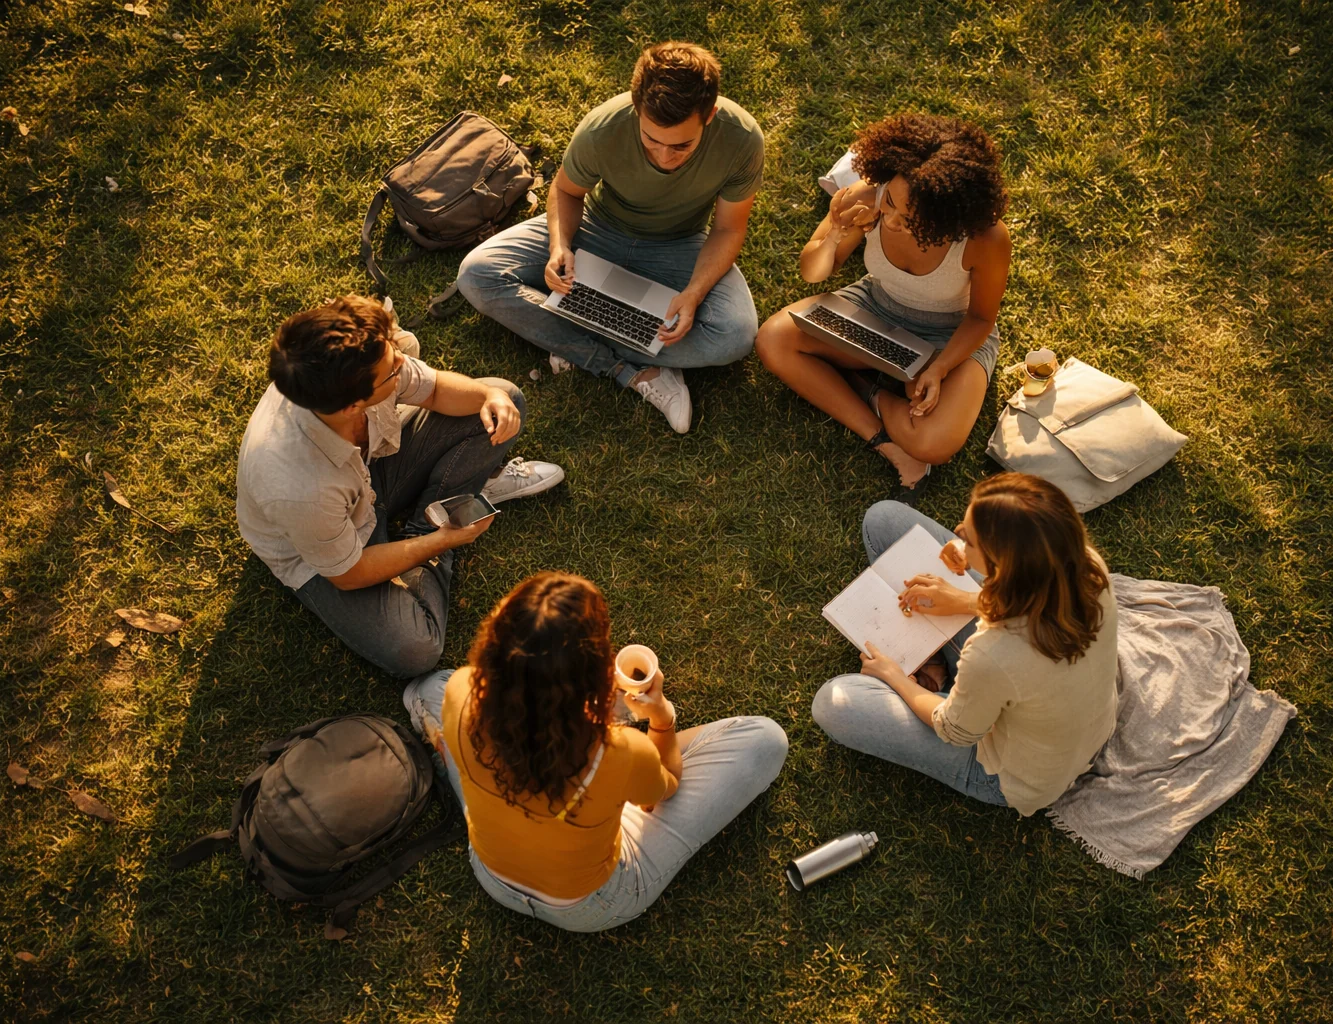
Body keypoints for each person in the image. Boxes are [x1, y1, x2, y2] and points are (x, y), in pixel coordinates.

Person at [403, 571, 788, 932]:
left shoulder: (462, 691)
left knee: (430, 688)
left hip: (492, 873)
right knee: (765, 739)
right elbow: (663, 791)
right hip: (590, 903)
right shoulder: (618, 751)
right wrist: (661, 717)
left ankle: (439, 740)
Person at [236, 295, 565, 678]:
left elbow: (434, 390)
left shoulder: (348, 373)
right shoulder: (298, 486)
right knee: (416, 648)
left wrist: (489, 396)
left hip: (368, 472)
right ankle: (436, 526)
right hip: (326, 551)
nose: (403, 361)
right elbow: (349, 573)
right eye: (392, 370)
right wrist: (440, 542)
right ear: (351, 406)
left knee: (502, 402)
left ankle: (437, 518)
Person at [456, 41, 764, 434]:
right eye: (652, 139)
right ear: (637, 110)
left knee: (735, 336)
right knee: (477, 275)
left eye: (681, 145)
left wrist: (695, 293)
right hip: (597, 227)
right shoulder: (604, 126)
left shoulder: (741, 139)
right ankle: (626, 367)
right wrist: (560, 245)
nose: (664, 157)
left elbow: (727, 228)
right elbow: (566, 191)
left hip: (680, 243)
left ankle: (562, 331)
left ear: (711, 115)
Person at [812, 474, 1117, 816]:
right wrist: (961, 596)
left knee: (831, 704)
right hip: (1063, 717)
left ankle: (938, 681)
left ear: (1003, 563)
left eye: (969, 539)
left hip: (1008, 770)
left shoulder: (993, 653)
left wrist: (894, 676)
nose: (957, 531)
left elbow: (954, 730)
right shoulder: (1085, 565)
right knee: (883, 519)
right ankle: (943, 676)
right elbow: (1026, 609)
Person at [755, 115, 1011, 497]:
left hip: (950, 334)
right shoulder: (864, 196)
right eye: (890, 202)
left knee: (933, 444)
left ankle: (860, 385)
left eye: (912, 221)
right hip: (875, 307)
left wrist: (939, 369)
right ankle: (880, 438)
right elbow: (813, 273)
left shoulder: (985, 239)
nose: (891, 221)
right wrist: (837, 233)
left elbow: (980, 318)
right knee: (774, 338)